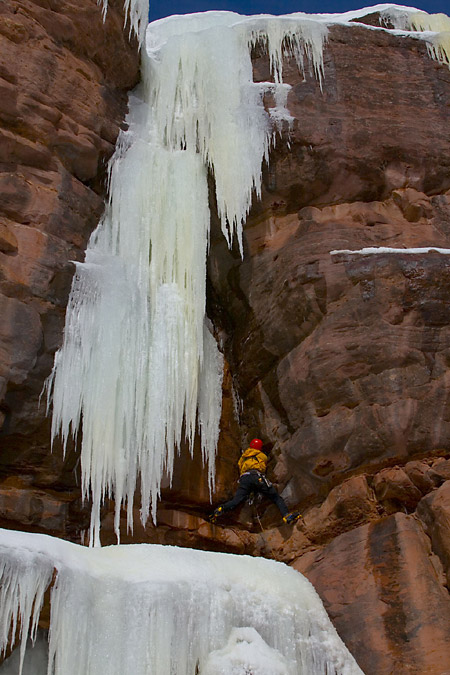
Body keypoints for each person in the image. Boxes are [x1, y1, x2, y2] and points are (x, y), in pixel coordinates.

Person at [209, 438, 300, 525]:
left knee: (236, 500)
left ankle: (220, 509)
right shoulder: (262, 455)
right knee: (276, 497)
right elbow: (264, 464)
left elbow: (239, 466)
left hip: (244, 479)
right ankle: (286, 516)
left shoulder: (243, 457)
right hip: (257, 477)